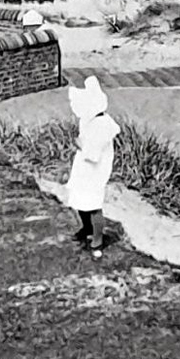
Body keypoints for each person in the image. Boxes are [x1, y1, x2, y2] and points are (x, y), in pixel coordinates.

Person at [64, 76, 121, 257]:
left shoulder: (103, 126)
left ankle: (97, 238)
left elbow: (93, 153)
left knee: (93, 204)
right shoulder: (89, 120)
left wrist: (80, 145)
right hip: (84, 168)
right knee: (80, 199)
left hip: (95, 170)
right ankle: (86, 228)